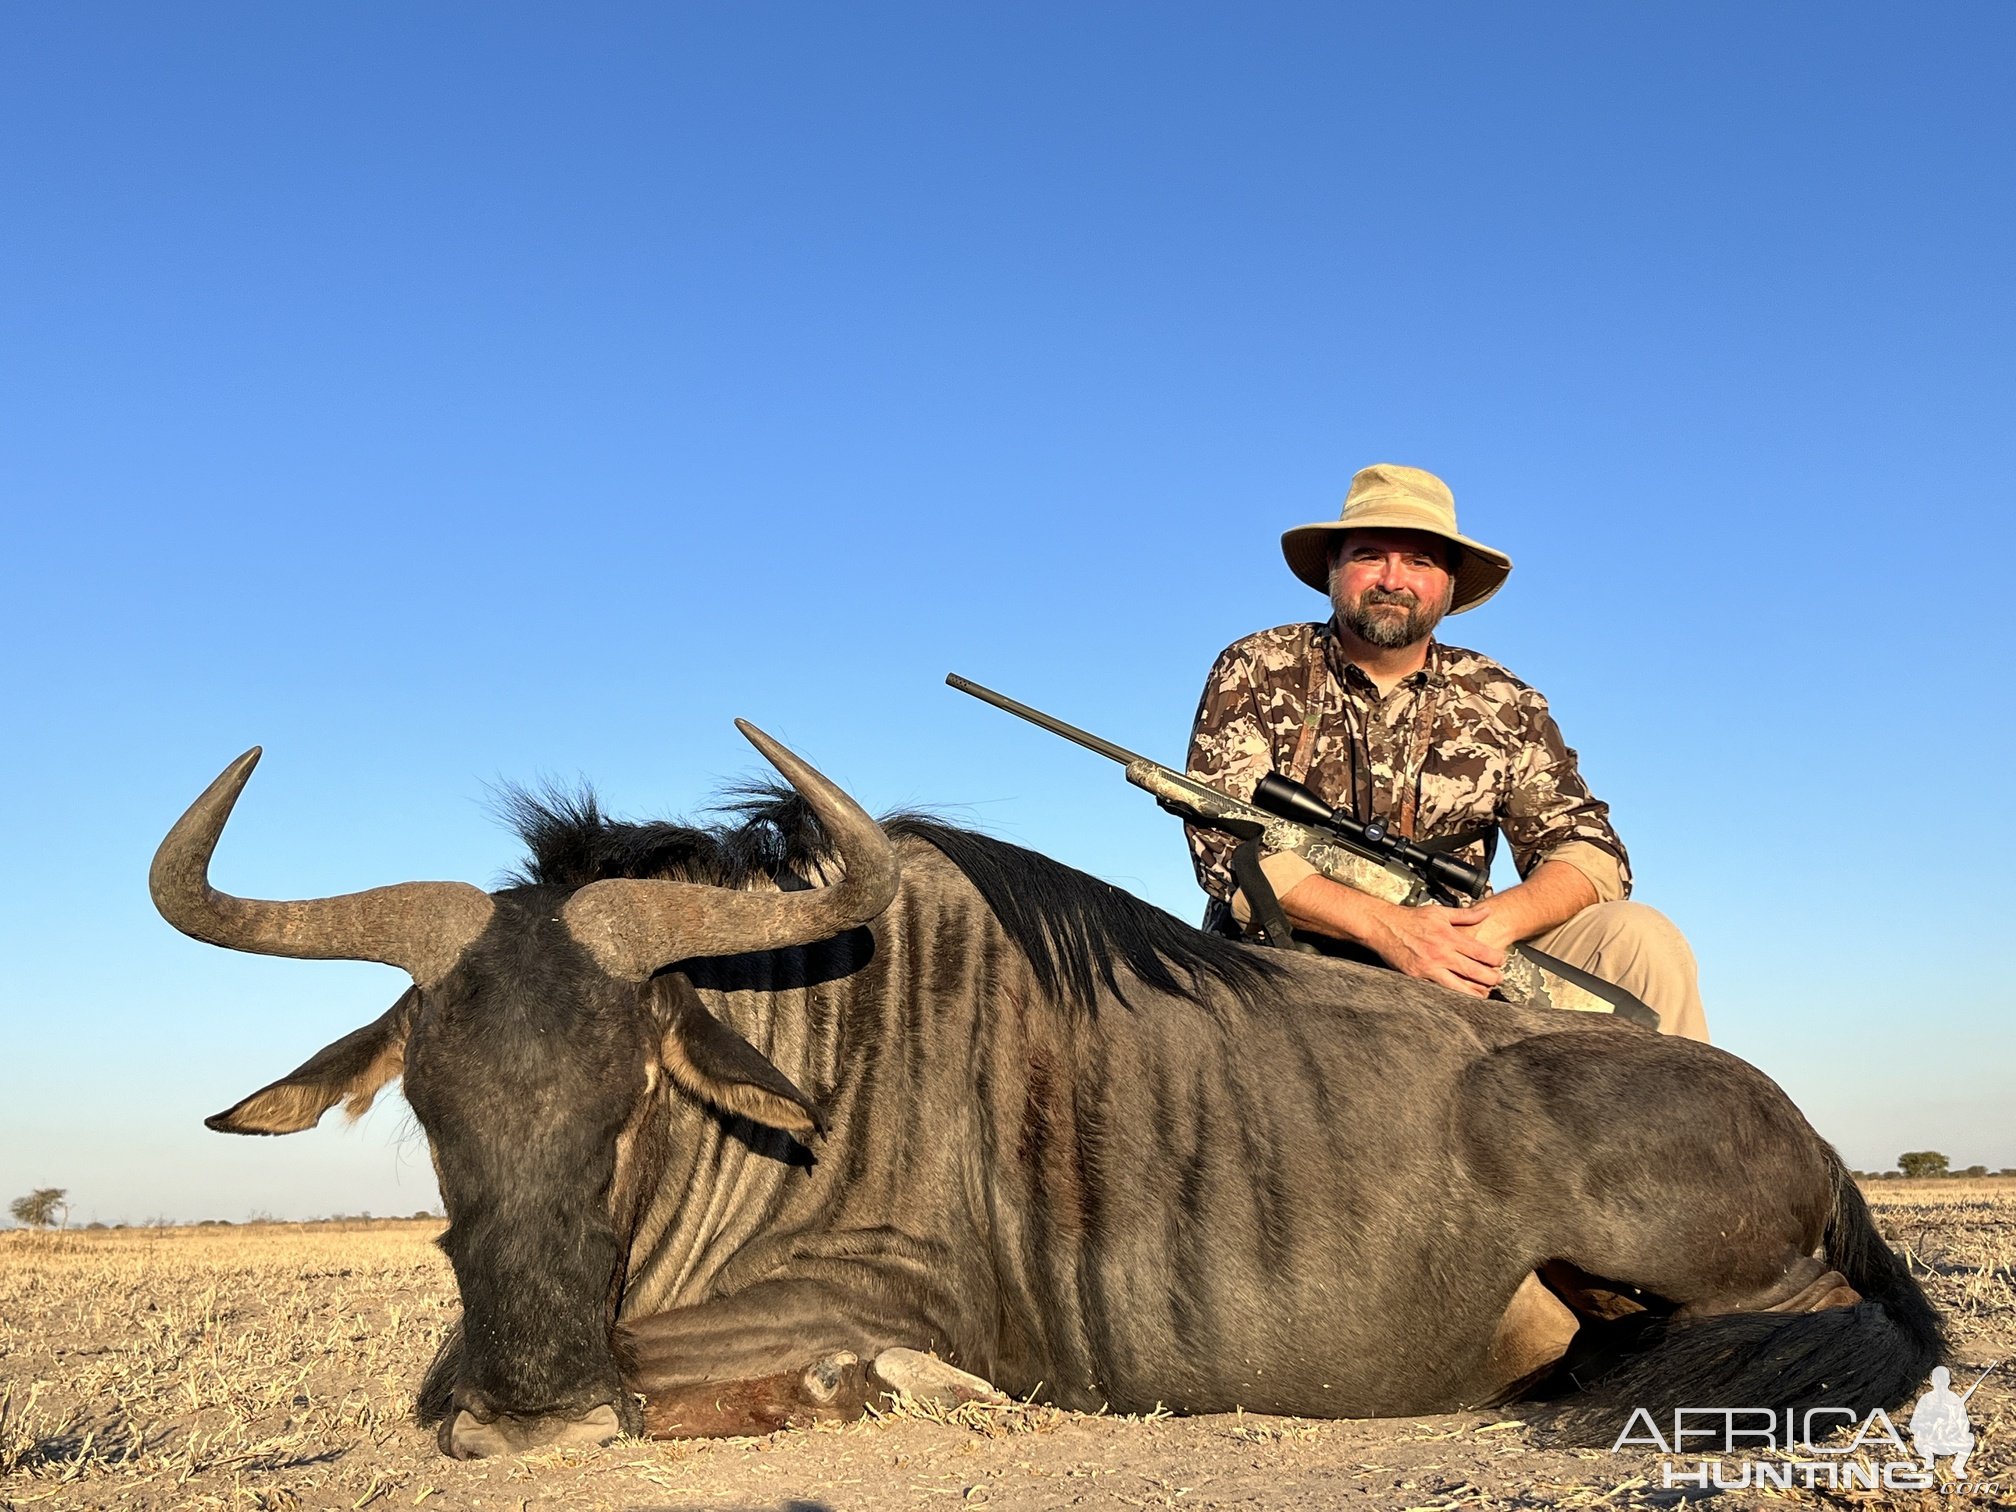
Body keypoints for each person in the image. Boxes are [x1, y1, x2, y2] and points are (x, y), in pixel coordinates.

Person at [1185, 462, 1708, 1040]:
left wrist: (1491, 924)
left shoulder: (1501, 697)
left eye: (1419, 560)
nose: (1392, 579)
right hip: (1287, 953)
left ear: (1450, 583)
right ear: (1334, 568)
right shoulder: (1257, 665)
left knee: (1639, 939)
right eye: (1368, 555)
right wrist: (1387, 927)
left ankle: (1705, 1128)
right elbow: (1224, 845)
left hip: (1462, 952)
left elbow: (1590, 849)